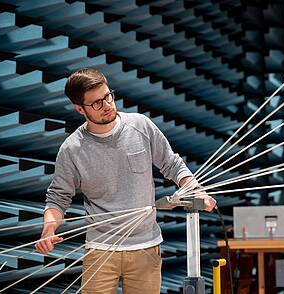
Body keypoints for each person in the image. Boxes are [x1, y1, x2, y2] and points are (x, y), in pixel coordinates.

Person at [35, 68, 216, 293]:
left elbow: (172, 164)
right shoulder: (72, 149)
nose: (107, 105)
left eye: (108, 96)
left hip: (146, 249)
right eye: (96, 103)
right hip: (100, 250)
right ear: (79, 109)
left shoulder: (141, 126)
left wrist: (196, 191)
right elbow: (58, 197)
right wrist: (48, 231)